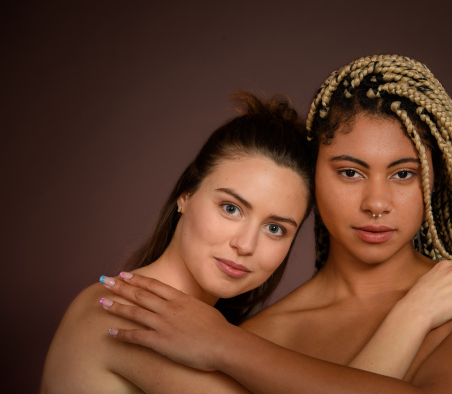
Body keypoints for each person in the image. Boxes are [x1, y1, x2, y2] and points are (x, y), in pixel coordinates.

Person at [94, 55, 452, 393]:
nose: (377, 202)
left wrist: (223, 347)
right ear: (312, 177)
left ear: (433, 181)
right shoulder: (259, 335)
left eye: (403, 174)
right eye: (350, 172)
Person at [40, 92, 315, 393]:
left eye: (275, 228)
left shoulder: (204, 335)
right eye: (231, 208)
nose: (246, 245)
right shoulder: (119, 312)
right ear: (186, 195)